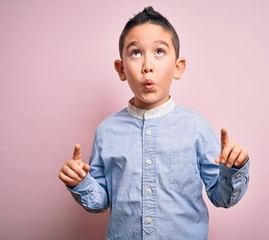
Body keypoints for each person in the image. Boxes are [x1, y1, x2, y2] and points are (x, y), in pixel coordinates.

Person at [59, 6, 250, 240]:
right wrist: (81, 182)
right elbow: (99, 201)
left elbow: (222, 197)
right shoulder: (107, 132)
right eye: (136, 53)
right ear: (121, 69)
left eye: (159, 51)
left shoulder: (197, 128)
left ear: (178, 67)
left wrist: (234, 169)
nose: (147, 65)